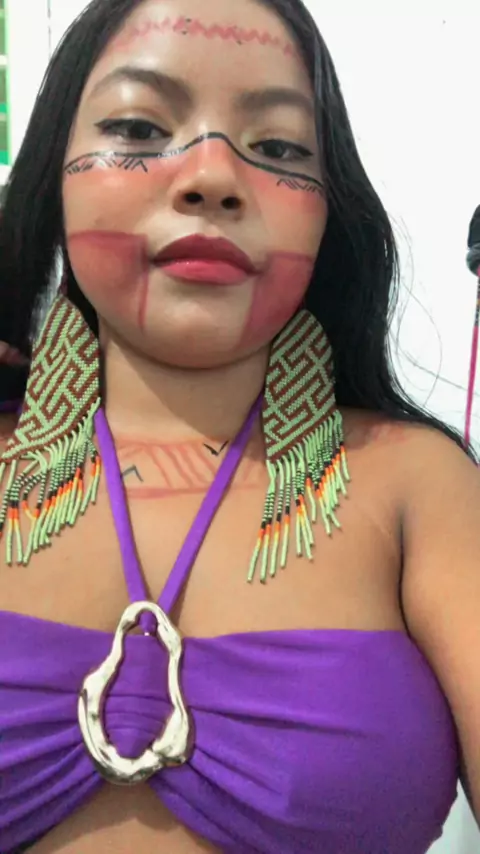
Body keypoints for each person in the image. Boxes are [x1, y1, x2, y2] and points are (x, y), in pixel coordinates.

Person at [1, 0, 480, 851]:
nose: (212, 176)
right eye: (138, 128)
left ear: (331, 211)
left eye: (280, 148)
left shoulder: (420, 487)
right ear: (51, 176)